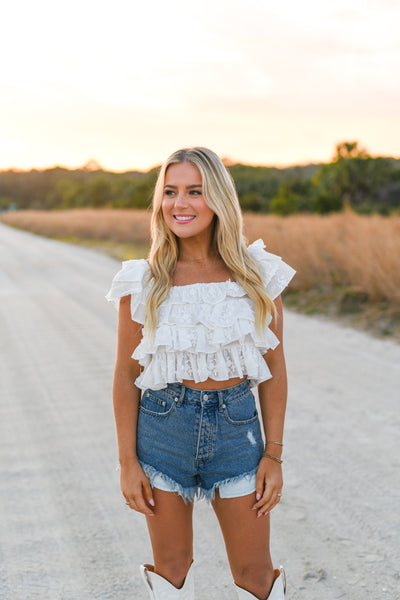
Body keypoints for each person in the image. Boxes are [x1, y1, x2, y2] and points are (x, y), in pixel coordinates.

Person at [106, 147, 296, 600]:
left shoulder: (256, 277)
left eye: (195, 191)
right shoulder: (144, 282)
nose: (180, 203)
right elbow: (125, 375)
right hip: (162, 431)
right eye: (170, 192)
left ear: (218, 200)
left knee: (254, 574)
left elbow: (274, 369)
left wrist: (274, 454)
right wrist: (127, 462)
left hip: (237, 434)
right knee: (172, 571)